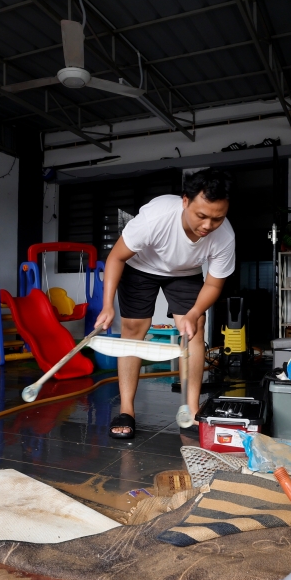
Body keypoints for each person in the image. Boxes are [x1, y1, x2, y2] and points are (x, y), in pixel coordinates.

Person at [94, 168, 235, 439]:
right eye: (201, 216)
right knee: (134, 328)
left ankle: (191, 411)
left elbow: (214, 284)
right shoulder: (157, 217)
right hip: (139, 266)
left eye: (217, 218)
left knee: (194, 328)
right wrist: (107, 304)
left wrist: (194, 313)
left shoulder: (225, 237)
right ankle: (126, 410)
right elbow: (116, 258)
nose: (207, 226)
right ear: (185, 201)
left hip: (185, 272)